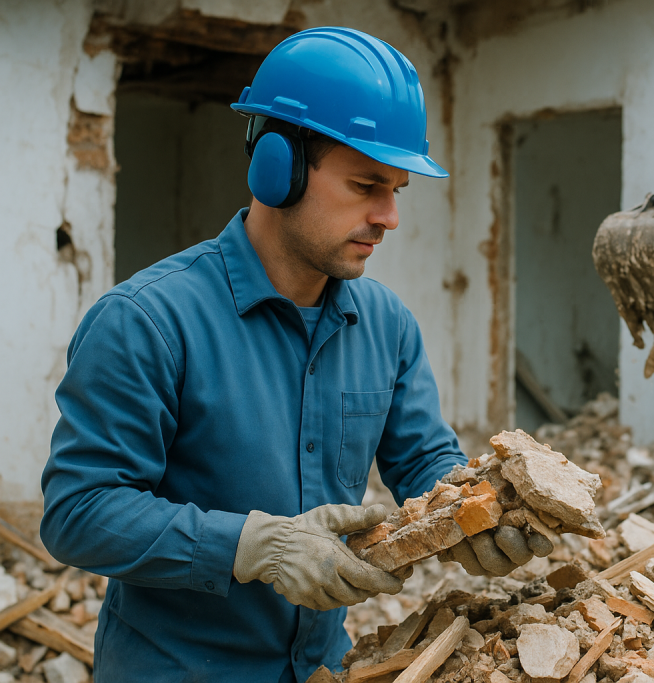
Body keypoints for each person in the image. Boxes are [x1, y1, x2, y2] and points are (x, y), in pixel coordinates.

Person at [40, 27, 541, 683]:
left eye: (397, 190)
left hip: (323, 669)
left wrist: (474, 511)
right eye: (366, 185)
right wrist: (253, 545)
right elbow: (79, 511)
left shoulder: (385, 323)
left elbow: (423, 460)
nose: (389, 216)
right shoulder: (147, 322)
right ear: (278, 168)